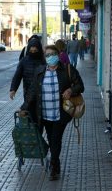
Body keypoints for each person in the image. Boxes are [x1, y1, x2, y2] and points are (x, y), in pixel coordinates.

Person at [22, 45, 84, 181]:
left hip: (61, 113)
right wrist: (24, 107)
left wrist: (71, 91)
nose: (50, 57)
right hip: (44, 114)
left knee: (56, 139)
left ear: (57, 55)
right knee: (51, 139)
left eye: (52, 54)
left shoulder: (67, 69)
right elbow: (32, 91)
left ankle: (53, 166)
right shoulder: (40, 71)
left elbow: (80, 85)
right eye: (47, 55)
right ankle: (55, 162)